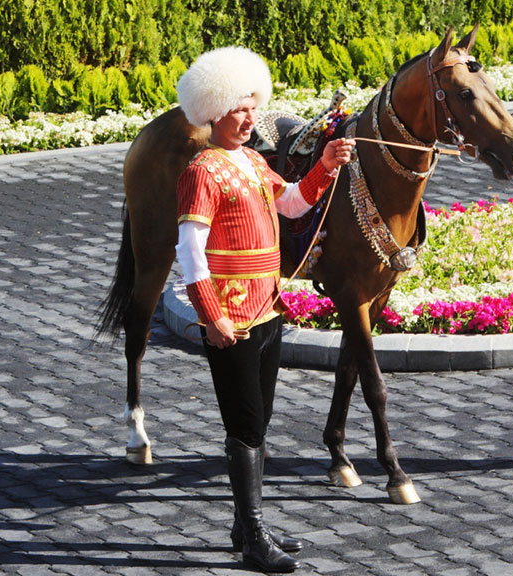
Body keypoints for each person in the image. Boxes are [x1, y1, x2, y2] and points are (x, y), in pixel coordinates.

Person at [174, 46, 354, 573]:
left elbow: (292, 204)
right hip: (230, 317)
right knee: (246, 424)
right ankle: (253, 535)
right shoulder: (202, 171)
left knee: (260, 420)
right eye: (240, 108)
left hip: (268, 309)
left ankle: (244, 522)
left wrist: (324, 166)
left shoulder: (253, 161)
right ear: (214, 112)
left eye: (253, 106)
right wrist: (211, 313)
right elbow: (189, 249)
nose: (251, 117)